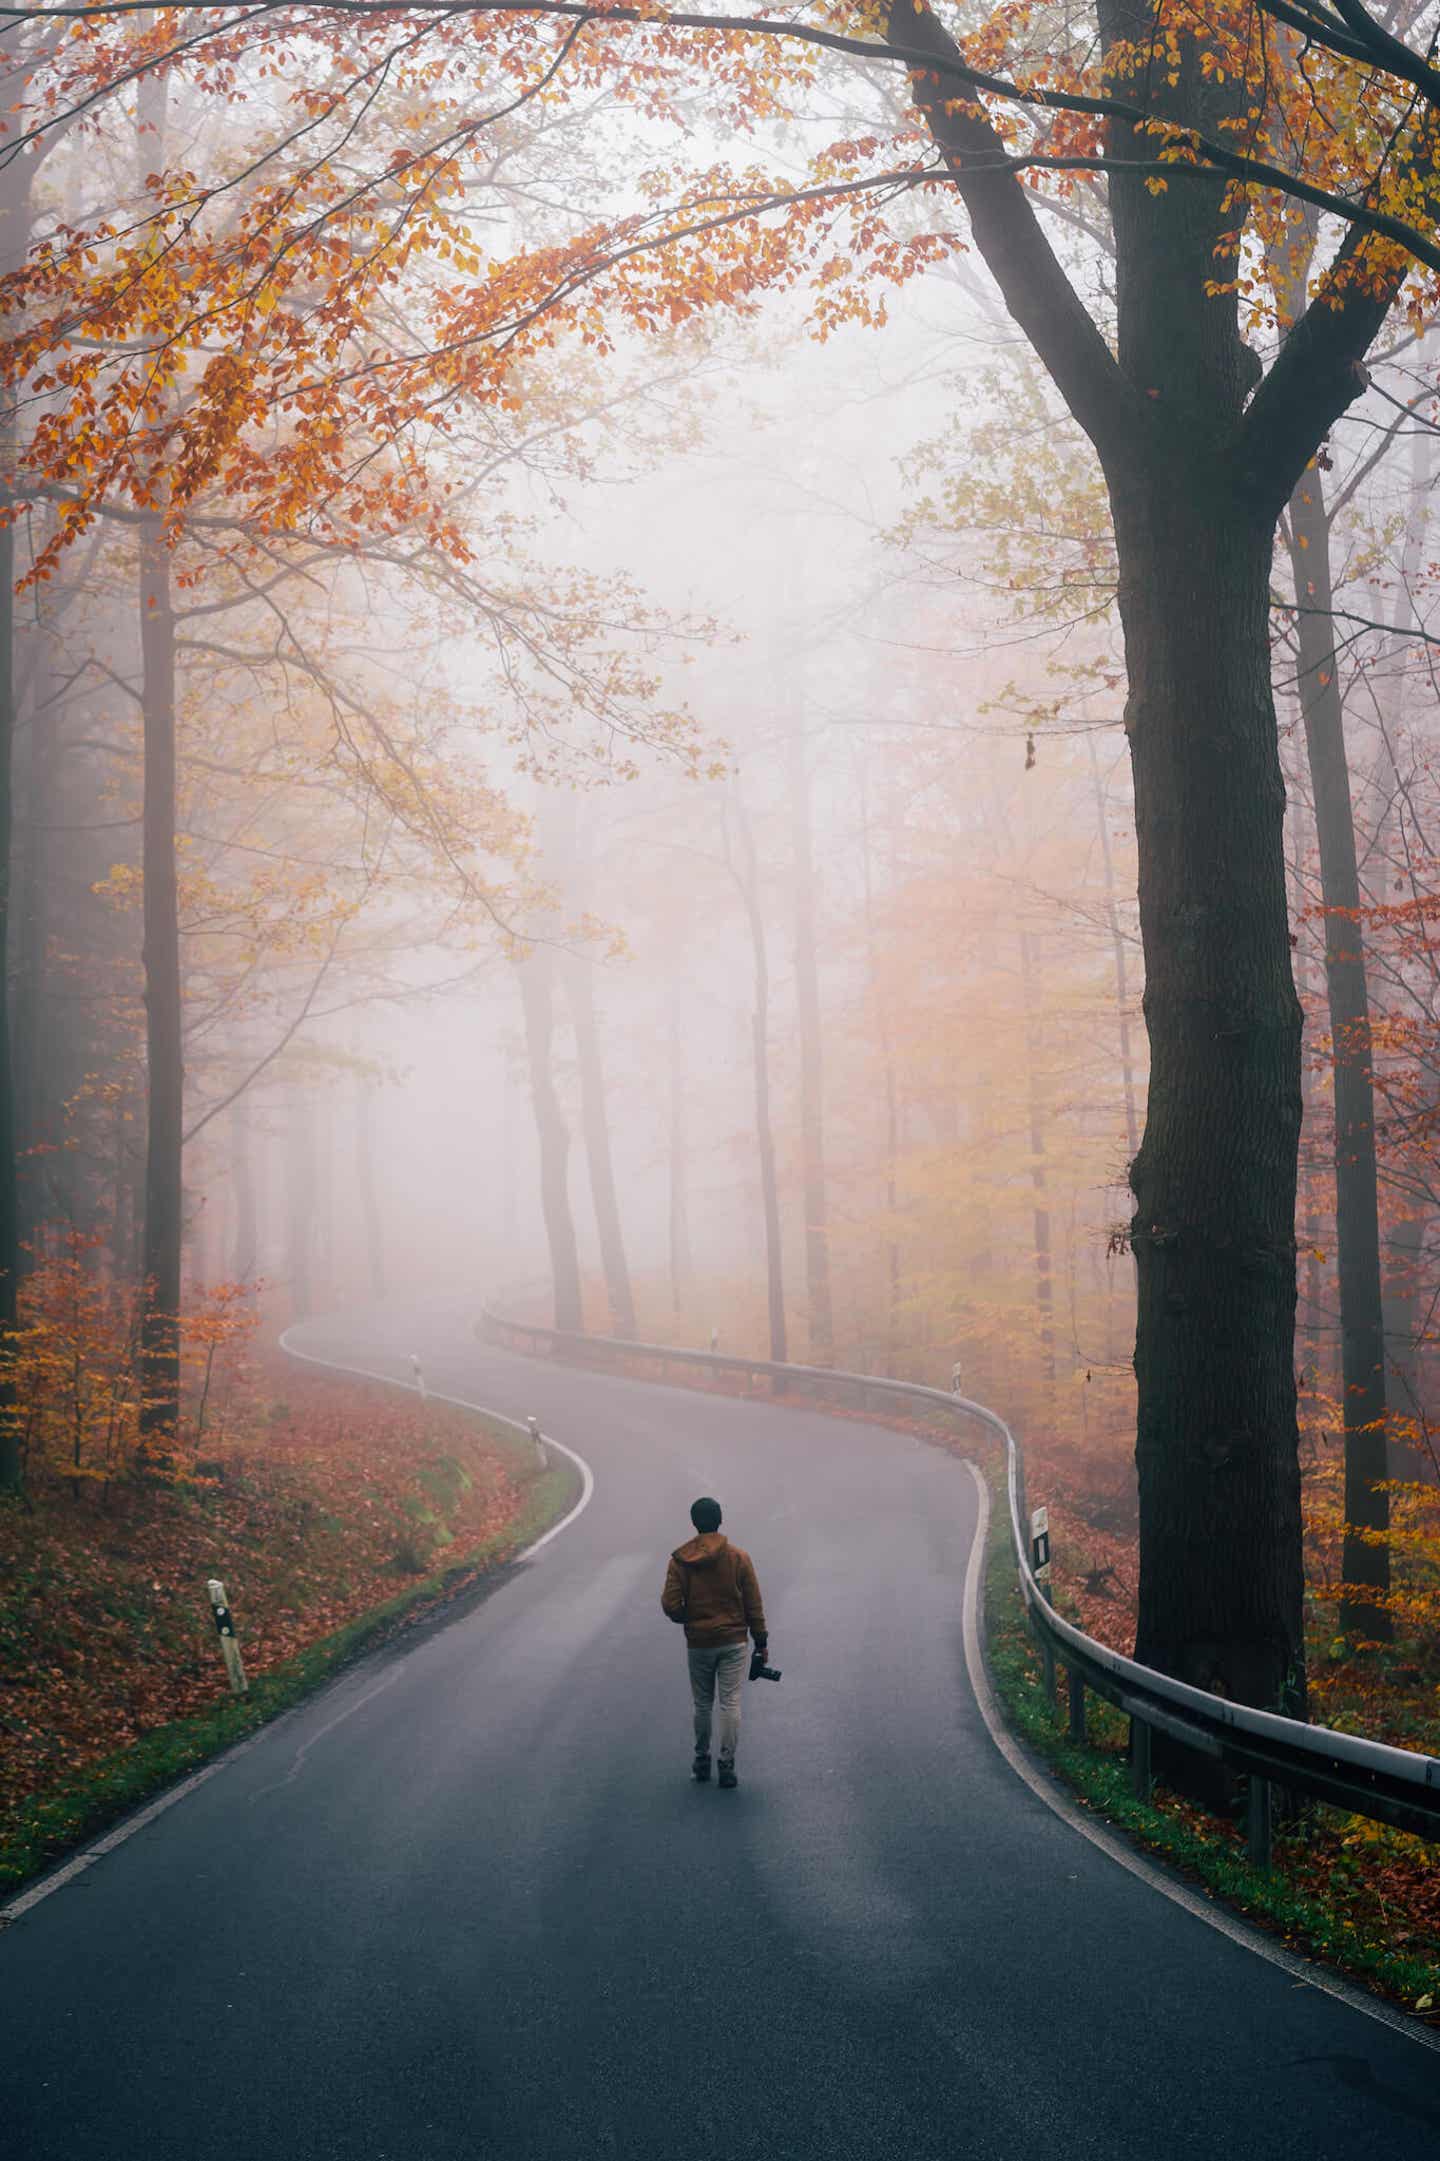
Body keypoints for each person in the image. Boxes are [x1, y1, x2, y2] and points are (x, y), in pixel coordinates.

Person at [660, 1496, 769, 1789]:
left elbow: (670, 1604)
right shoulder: (738, 1558)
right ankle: (727, 1764)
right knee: (730, 1702)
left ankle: (701, 1760)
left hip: (699, 1643)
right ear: (720, 1520)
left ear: (694, 1523)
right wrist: (761, 1641)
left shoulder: (680, 1562)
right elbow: (754, 1604)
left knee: (702, 1703)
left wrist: (690, 1618)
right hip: (733, 1641)